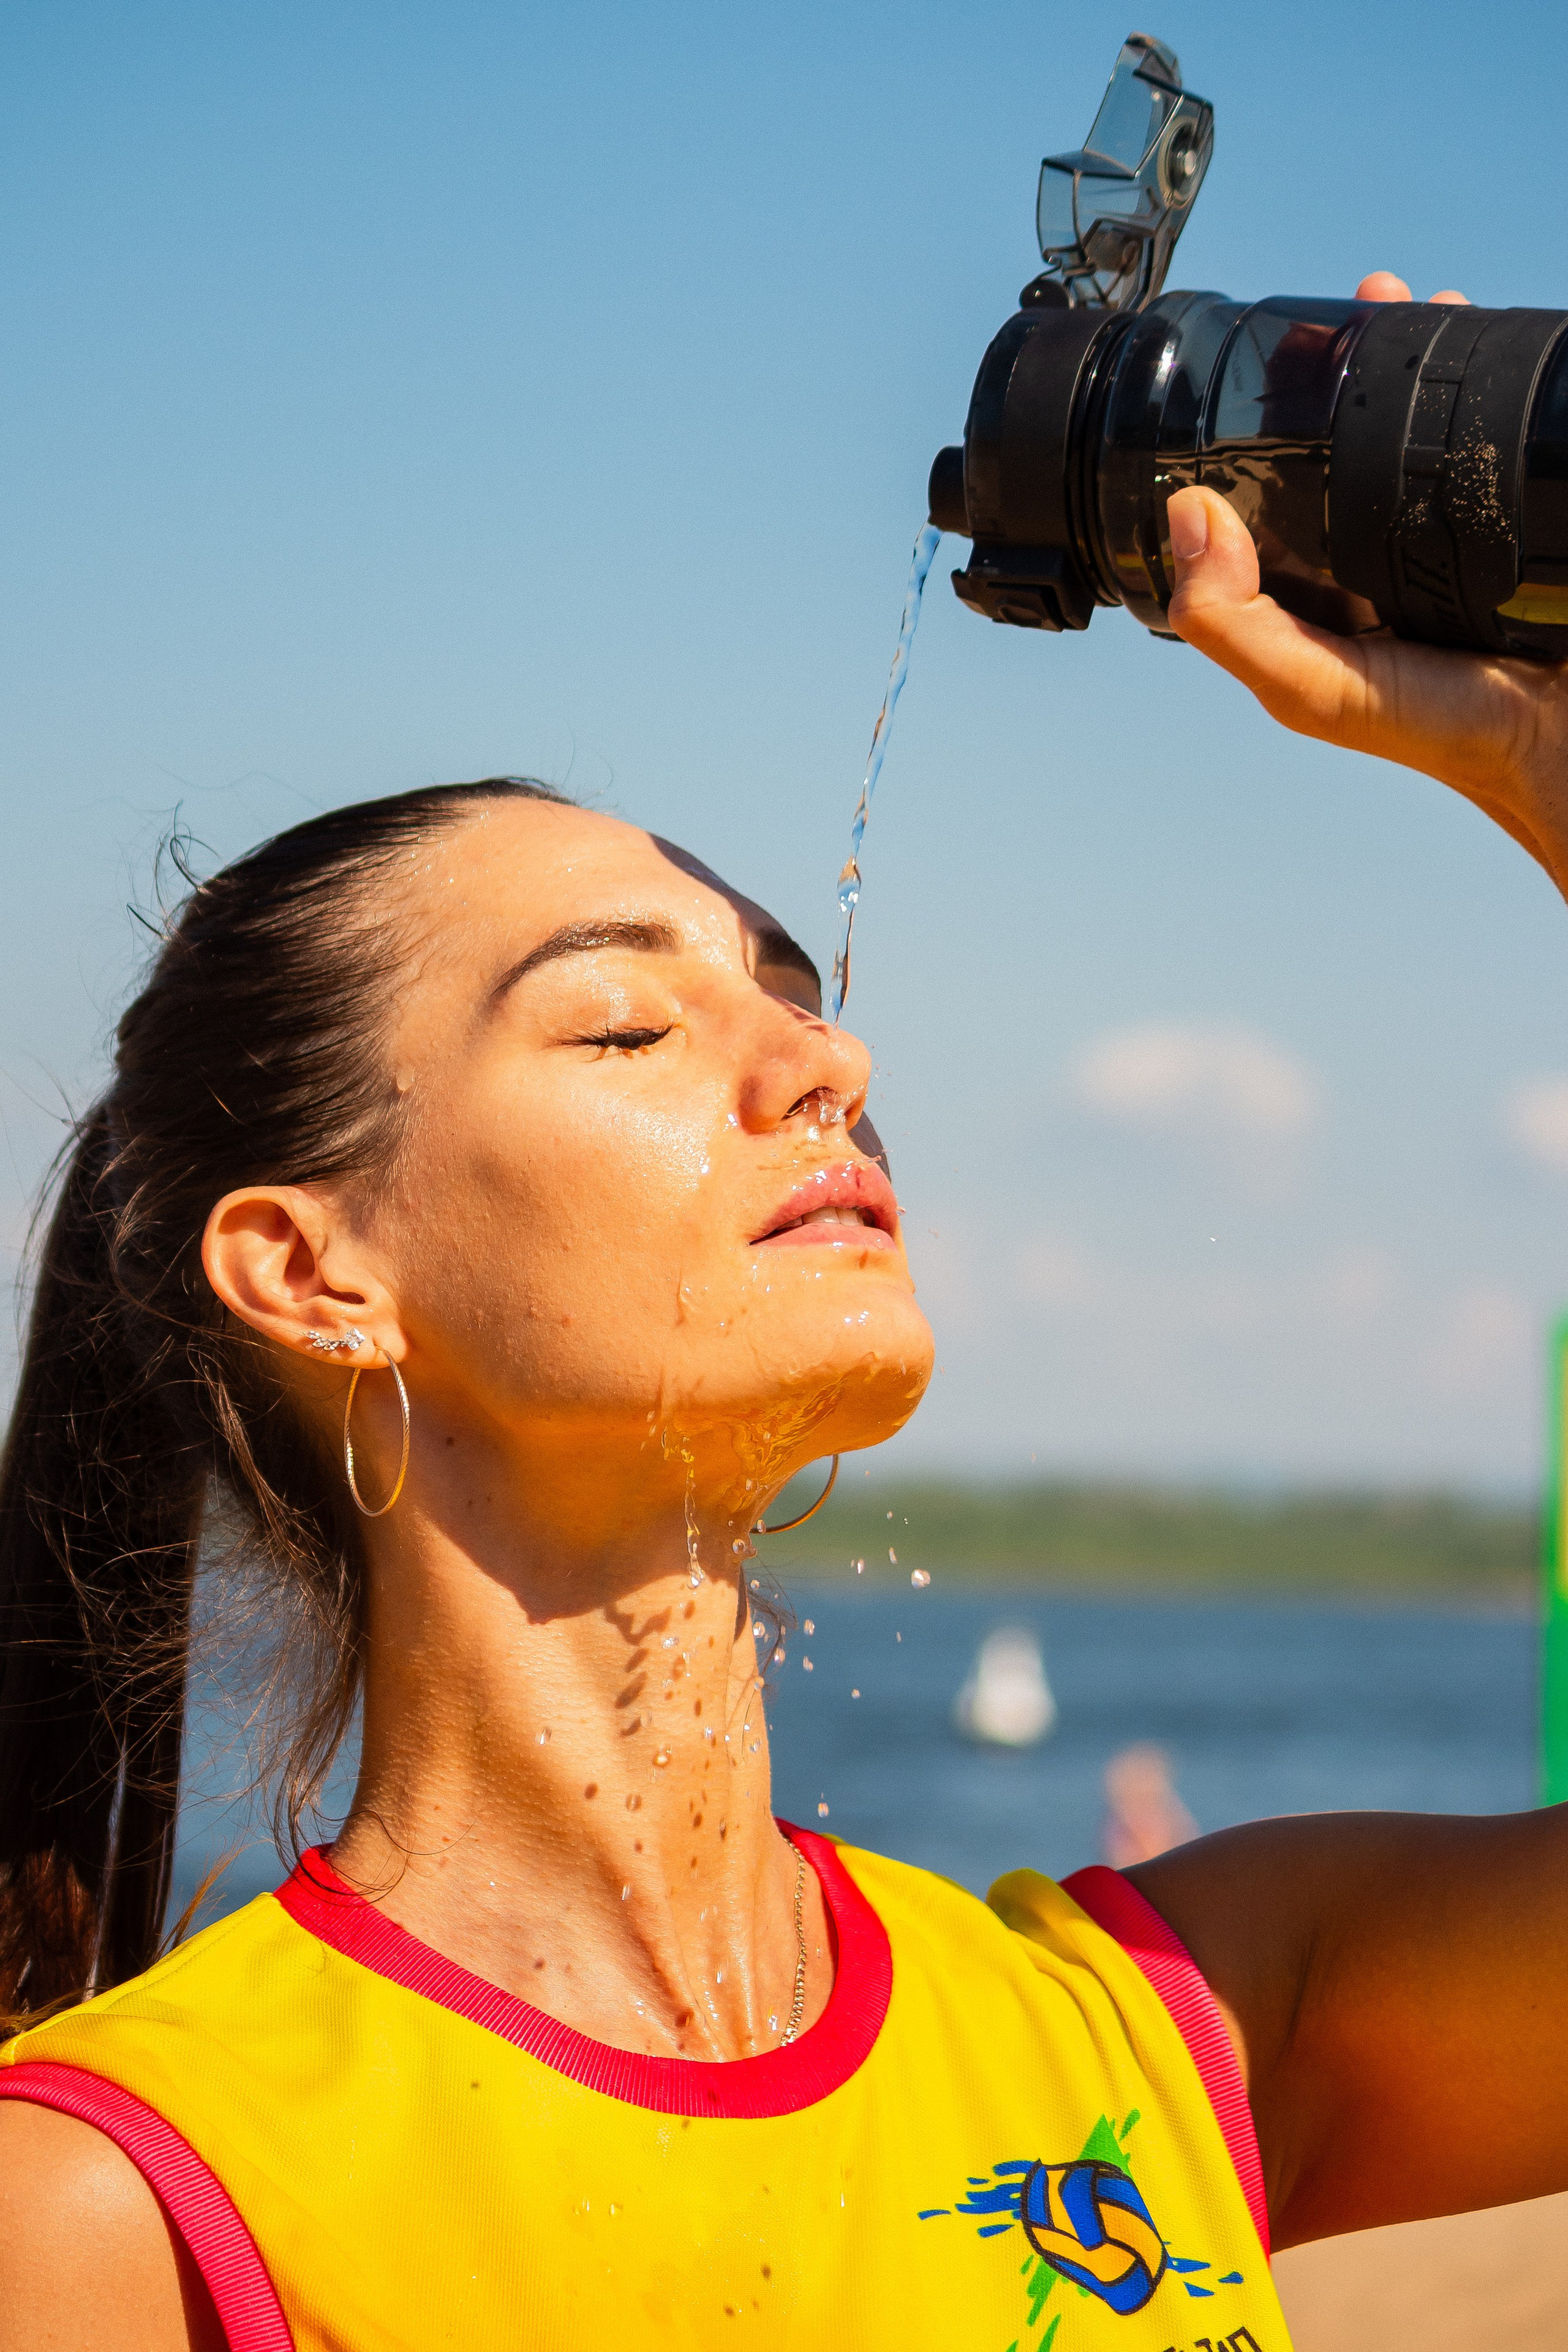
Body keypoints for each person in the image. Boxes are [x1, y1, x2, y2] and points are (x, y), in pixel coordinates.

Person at [2, 277, 1567, 2352]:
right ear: (315, 1274)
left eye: (797, 1004)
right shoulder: (121, 2201)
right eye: (629, 1020)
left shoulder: (1164, 2026)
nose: (826, 1069)